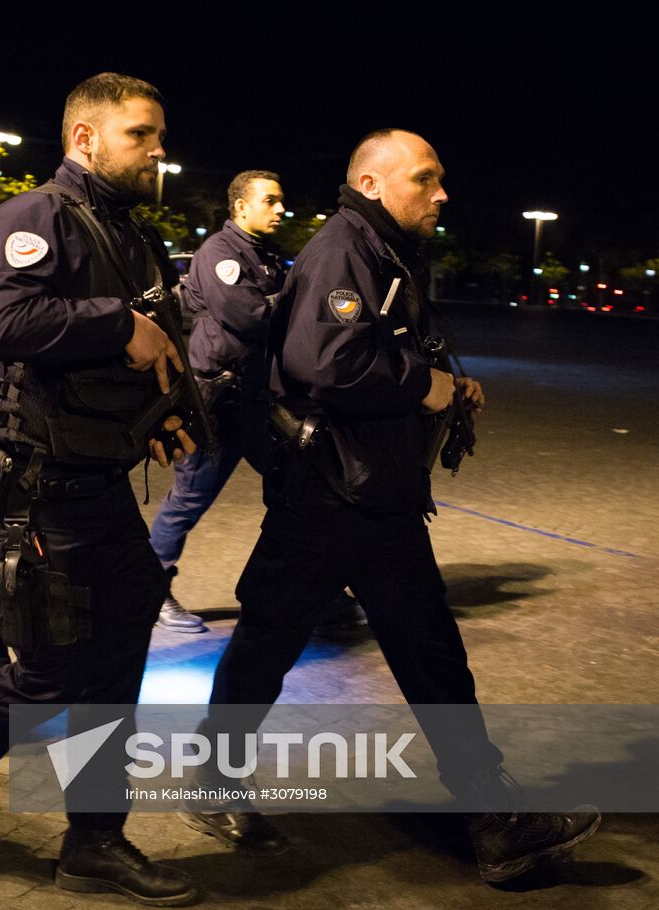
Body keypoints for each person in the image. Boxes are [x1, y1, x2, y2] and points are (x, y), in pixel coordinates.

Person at [186, 128, 599, 882]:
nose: (441, 194)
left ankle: (493, 821)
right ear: (373, 184)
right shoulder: (343, 249)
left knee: (427, 655)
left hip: (373, 493)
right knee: (271, 642)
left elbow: (393, 341)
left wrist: (447, 378)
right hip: (331, 494)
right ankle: (214, 777)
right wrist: (421, 385)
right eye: (426, 179)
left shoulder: (382, 250)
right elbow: (325, 359)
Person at [0, 73, 201, 906]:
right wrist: (117, 326)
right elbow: (6, 323)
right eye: (142, 133)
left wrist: (159, 416)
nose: (159, 149)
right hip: (34, 486)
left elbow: (136, 348)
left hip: (97, 475)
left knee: (122, 646)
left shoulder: (130, 232)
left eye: (159, 133)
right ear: (85, 139)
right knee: (58, 668)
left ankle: (94, 841)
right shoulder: (34, 217)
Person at [148, 173, 367, 636]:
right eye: (269, 201)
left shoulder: (263, 256)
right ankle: (149, 592)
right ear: (240, 207)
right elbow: (250, 317)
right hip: (217, 402)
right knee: (189, 499)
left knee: (301, 487)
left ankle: (319, 590)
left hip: (257, 400)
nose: (279, 208)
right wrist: (297, 310)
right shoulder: (219, 254)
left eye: (281, 200)